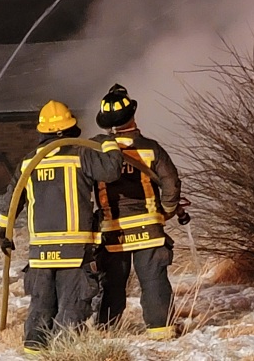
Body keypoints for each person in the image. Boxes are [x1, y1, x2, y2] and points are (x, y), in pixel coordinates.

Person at [0, 100, 123, 355]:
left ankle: (33, 352)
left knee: (40, 307)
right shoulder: (82, 154)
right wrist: (107, 141)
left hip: (40, 253)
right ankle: (64, 354)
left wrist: (3, 234)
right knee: (72, 307)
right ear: (69, 127)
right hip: (74, 251)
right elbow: (112, 170)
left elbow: (11, 202)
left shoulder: (29, 162)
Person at [93, 84, 183, 340]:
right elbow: (171, 183)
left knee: (111, 284)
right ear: (132, 115)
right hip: (149, 230)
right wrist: (165, 212)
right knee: (153, 280)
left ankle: (105, 331)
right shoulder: (150, 148)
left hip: (113, 231)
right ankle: (162, 331)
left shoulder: (95, 151)